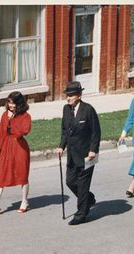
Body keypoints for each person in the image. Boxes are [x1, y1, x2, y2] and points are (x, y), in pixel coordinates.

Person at [55, 81, 101, 225]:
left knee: (82, 185)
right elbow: (65, 131)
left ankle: (81, 214)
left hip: (87, 155)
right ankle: (89, 199)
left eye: (71, 95)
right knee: (70, 182)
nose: (68, 98)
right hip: (72, 155)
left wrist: (93, 150)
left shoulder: (88, 110)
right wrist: (61, 146)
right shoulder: (66, 109)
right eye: (67, 95)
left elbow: (96, 132)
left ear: (79, 95)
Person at [0, 92, 31, 215]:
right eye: (9, 102)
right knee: (1, 175)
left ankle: (24, 201)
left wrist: (12, 121)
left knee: (22, 175)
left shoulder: (25, 116)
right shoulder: (4, 115)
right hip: (6, 146)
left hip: (19, 148)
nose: (10, 105)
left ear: (19, 104)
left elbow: (23, 131)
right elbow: (1, 132)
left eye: (13, 103)